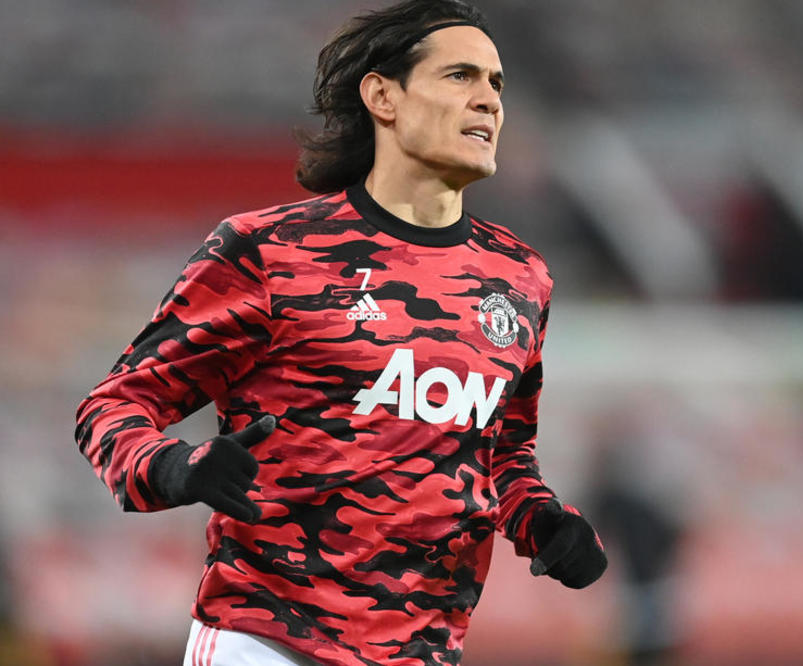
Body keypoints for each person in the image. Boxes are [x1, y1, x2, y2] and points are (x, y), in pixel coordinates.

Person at [74, 1, 607, 664]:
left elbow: (501, 455)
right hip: (267, 639)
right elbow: (115, 405)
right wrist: (172, 468)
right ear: (383, 96)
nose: (489, 100)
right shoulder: (270, 251)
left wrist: (542, 521)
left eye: (496, 83)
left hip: (424, 650)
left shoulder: (519, 277)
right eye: (460, 76)